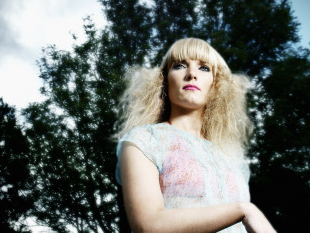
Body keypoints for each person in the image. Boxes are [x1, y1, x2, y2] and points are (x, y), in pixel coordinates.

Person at [116, 38, 276, 232]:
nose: (191, 74)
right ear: (165, 80)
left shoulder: (231, 157)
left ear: (216, 85)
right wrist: (244, 210)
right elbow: (148, 225)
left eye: (204, 68)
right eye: (180, 66)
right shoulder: (143, 140)